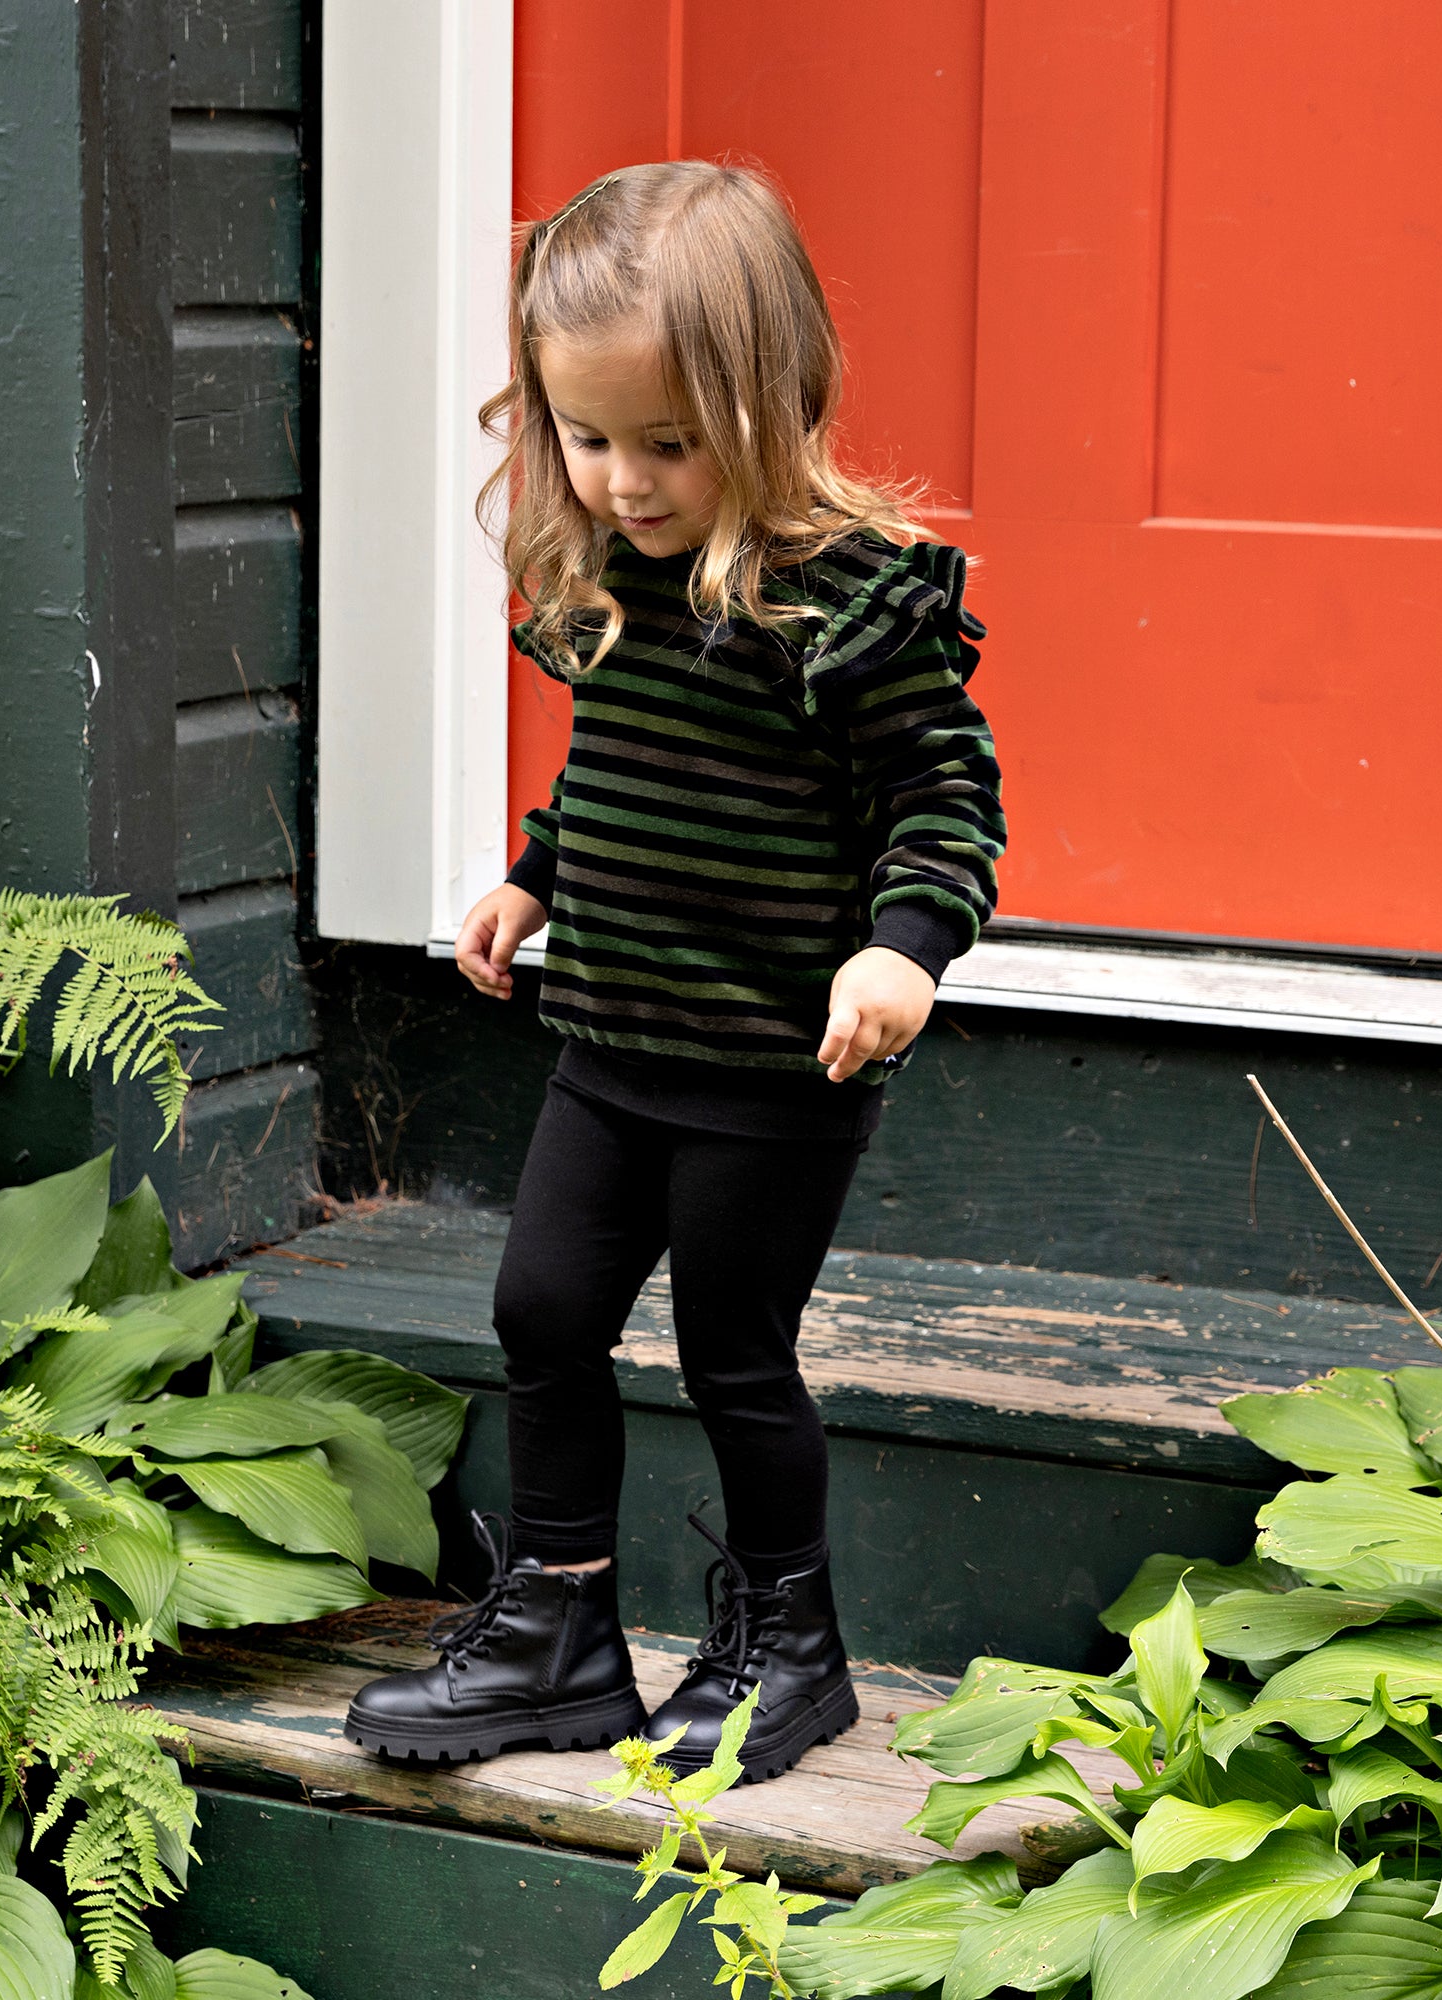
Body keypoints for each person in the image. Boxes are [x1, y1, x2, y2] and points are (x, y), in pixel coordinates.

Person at [345, 161, 1005, 1782]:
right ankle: (560, 1631)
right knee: (543, 1308)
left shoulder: (849, 604)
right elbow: (623, 774)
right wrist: (530, 877)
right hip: (611, 1039)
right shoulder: (622, 580)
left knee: (732, 1351)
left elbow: (946, 796)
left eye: (667, 444)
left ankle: (790, 1648)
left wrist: (900, 949)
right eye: (586, 439)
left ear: (771, 406)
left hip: (774, 1073)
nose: (623, 482)